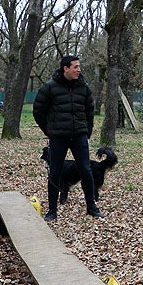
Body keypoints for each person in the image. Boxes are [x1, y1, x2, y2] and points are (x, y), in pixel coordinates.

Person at [33, 55, 104, 221]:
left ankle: (91, 207)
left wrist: (87, 131)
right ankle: (52, 210)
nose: (79, 70)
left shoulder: (84, 87)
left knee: (86, 171)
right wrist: (49, 131)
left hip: (79, 135)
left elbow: (89, 111)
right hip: (58, 137)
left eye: (79, 67)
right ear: (66, 68)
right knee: (55, 172)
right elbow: (38, 110)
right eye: (75, 67)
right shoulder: (50, 87)